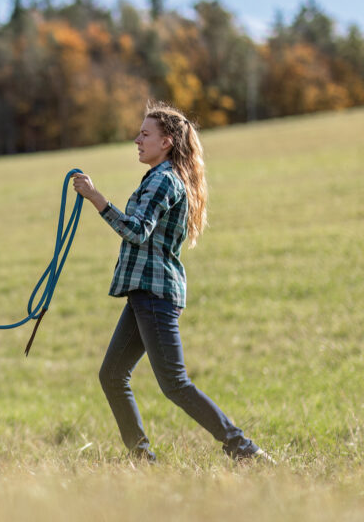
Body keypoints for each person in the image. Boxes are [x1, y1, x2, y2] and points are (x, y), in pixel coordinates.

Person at [72, 102, 272, 463]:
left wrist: (95, 198)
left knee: (175, 384)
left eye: (145, 134)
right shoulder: (162, 177)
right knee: (113, 375)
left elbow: (136, 231)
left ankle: (243, 449)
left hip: (154, 294)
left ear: (166, 142)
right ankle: (141, 456)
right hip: (145, 293)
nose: (137, 139)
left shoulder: (164, 180)